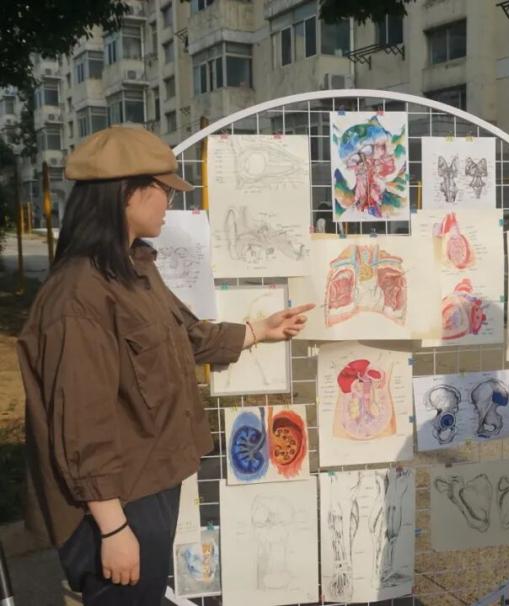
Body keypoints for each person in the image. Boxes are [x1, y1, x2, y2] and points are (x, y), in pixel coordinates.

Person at [17, 126, 314, 605]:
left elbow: (182, 336)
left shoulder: (131, 269)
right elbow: (80, 426)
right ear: (125, 194)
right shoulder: (79, 295)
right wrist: (113, 528)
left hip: (146, 484)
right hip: (114, 502)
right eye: (163, 189)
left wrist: (259, 330)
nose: (168, 202)